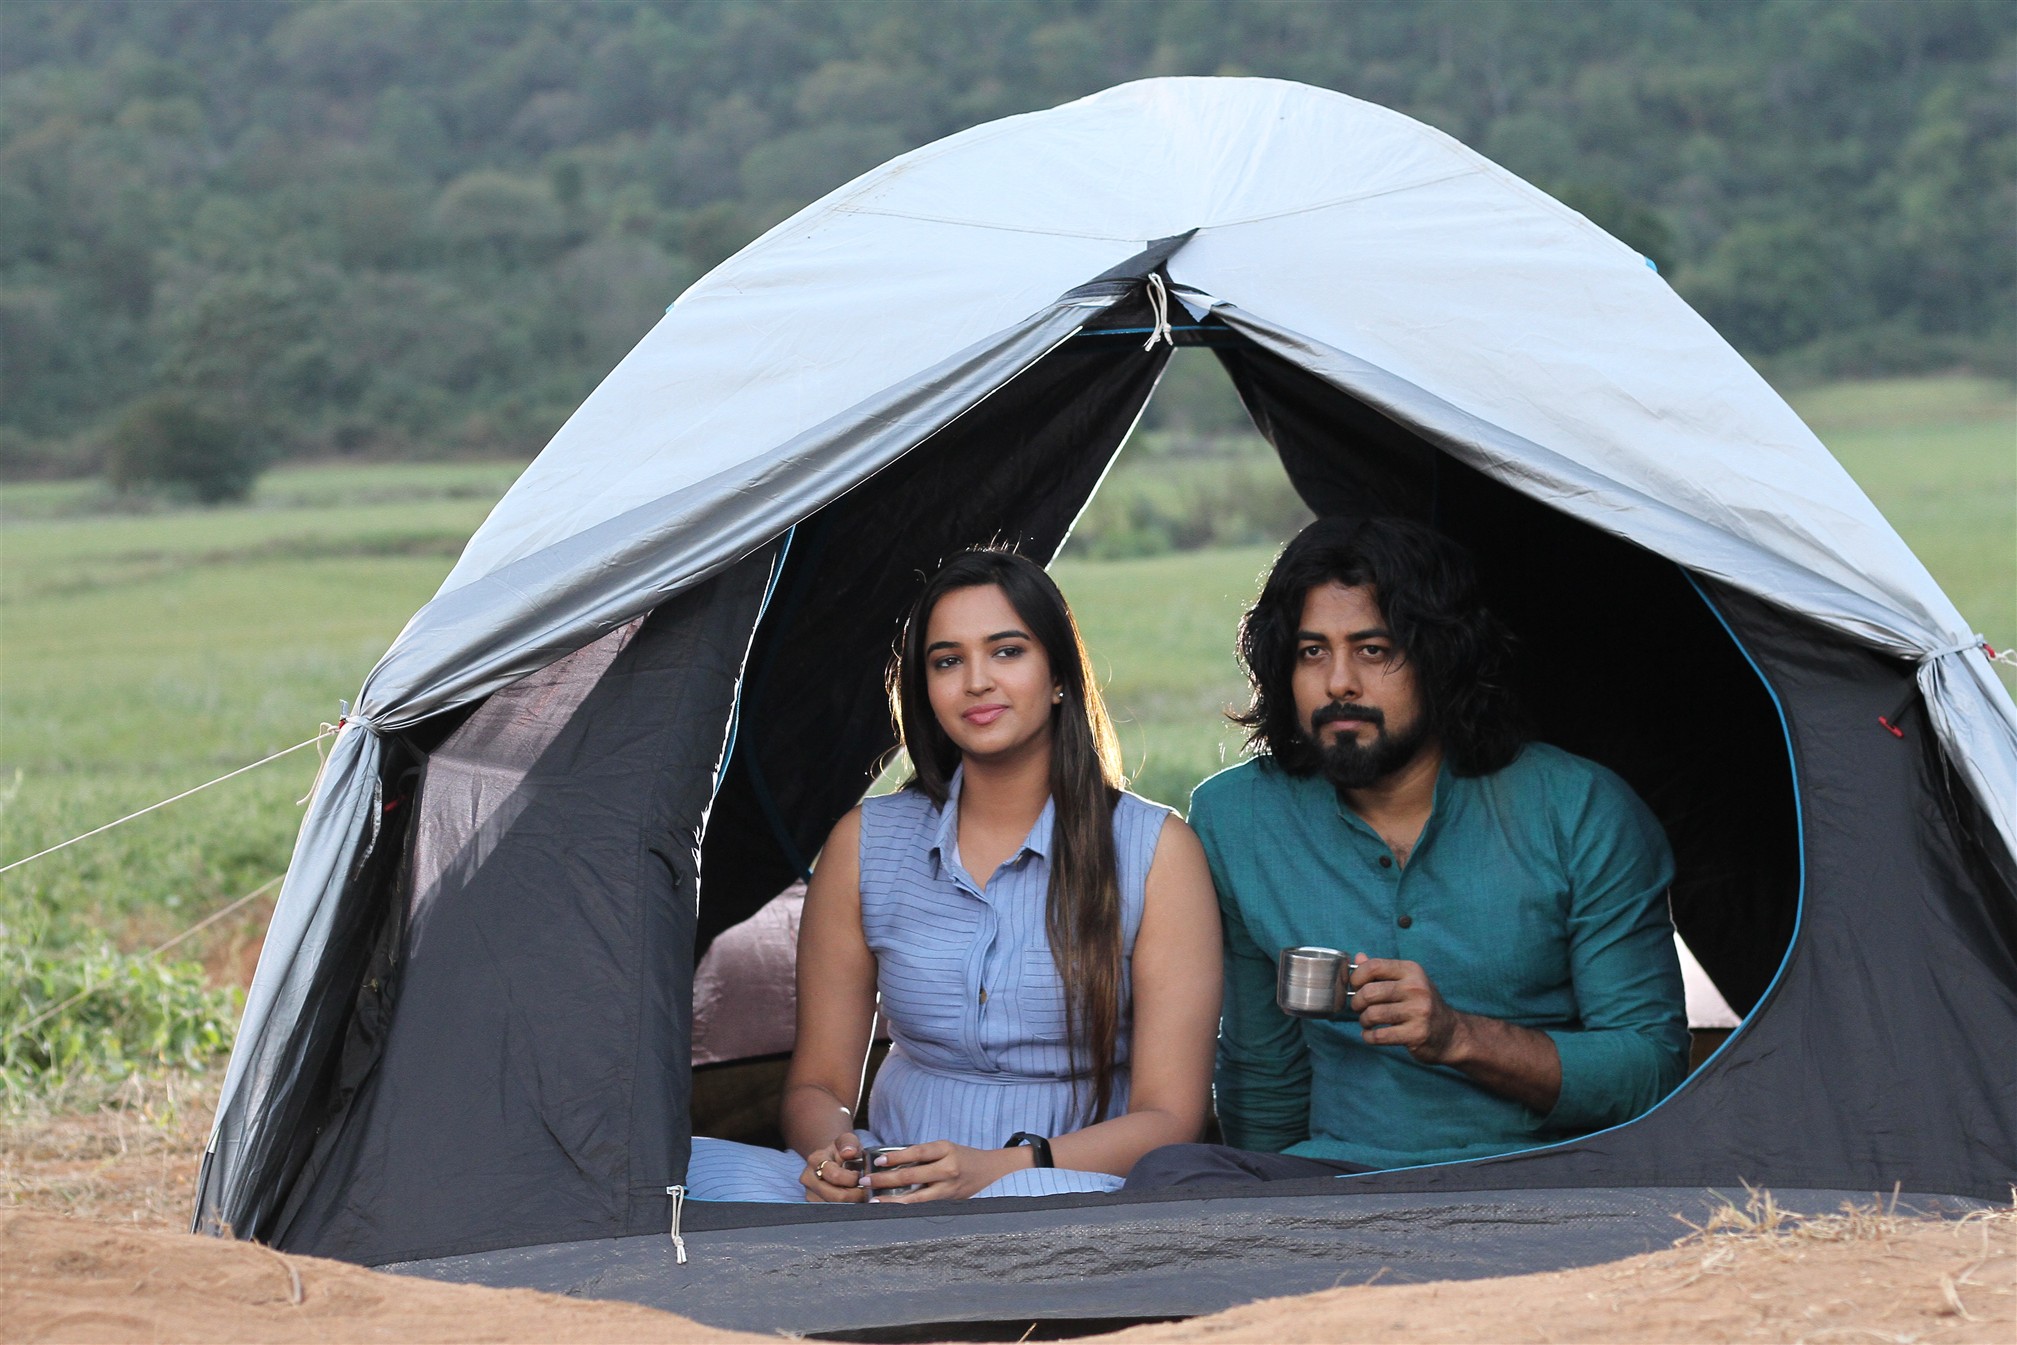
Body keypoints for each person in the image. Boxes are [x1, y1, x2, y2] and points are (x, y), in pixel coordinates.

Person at [1128, 517, 1688, 1188]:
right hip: (1341, 1181)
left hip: (1546, 1177)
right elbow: (1262, 1066)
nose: (1338, 682)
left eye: (1373, 649)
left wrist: (1459, 1037)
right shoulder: (1237, 816)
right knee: (1171, 1174)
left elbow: (1652, 1070)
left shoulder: (1580, 809)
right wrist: (1265, 1202)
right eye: (1312, 652)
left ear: (1440, 657)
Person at [688, 548, 1222, 1202]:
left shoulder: (1157, 851)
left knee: (1014, 1207)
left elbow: (1170, 1118)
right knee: (682, 1172)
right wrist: (835, 1154)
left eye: (1006, 651)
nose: (976, 681)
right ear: (925, 689)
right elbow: (818, 1085)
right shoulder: (865, 842)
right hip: (892, 1184)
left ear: (1059, 675)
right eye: (947, 661)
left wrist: (995, 1170)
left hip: (1065, 1192)